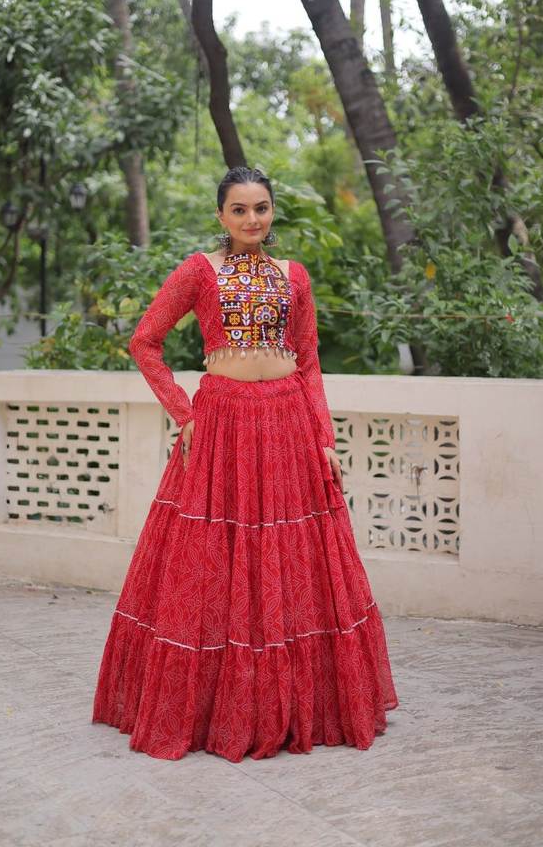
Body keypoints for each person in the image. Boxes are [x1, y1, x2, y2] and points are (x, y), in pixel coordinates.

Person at [91, 166, 399, 761]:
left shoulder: (294, 276)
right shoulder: (199, 271)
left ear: (272, 212)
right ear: (221, 216)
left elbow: (309, 360)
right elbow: (144, 341)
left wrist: (325, 439)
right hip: (222, 423)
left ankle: (295, 704)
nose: (251, 219)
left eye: (260, 208)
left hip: (287, 421)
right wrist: (184, 412)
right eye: (239, 209)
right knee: (215, 558)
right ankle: (214, 708)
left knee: (291, 558)